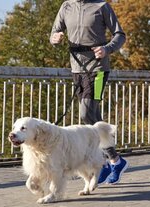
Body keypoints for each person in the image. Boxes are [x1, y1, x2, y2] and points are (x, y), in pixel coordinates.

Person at [50, 0, 128, 184]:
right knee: (94, 115)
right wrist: (54, 38)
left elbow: (120, 35)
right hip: (77, 68)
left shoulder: (101, 6)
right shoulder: (66, 6)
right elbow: (54, 32)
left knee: (86, 112)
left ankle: (109, 161)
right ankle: (115, 161)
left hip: (98, 69)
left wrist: (107, 49)